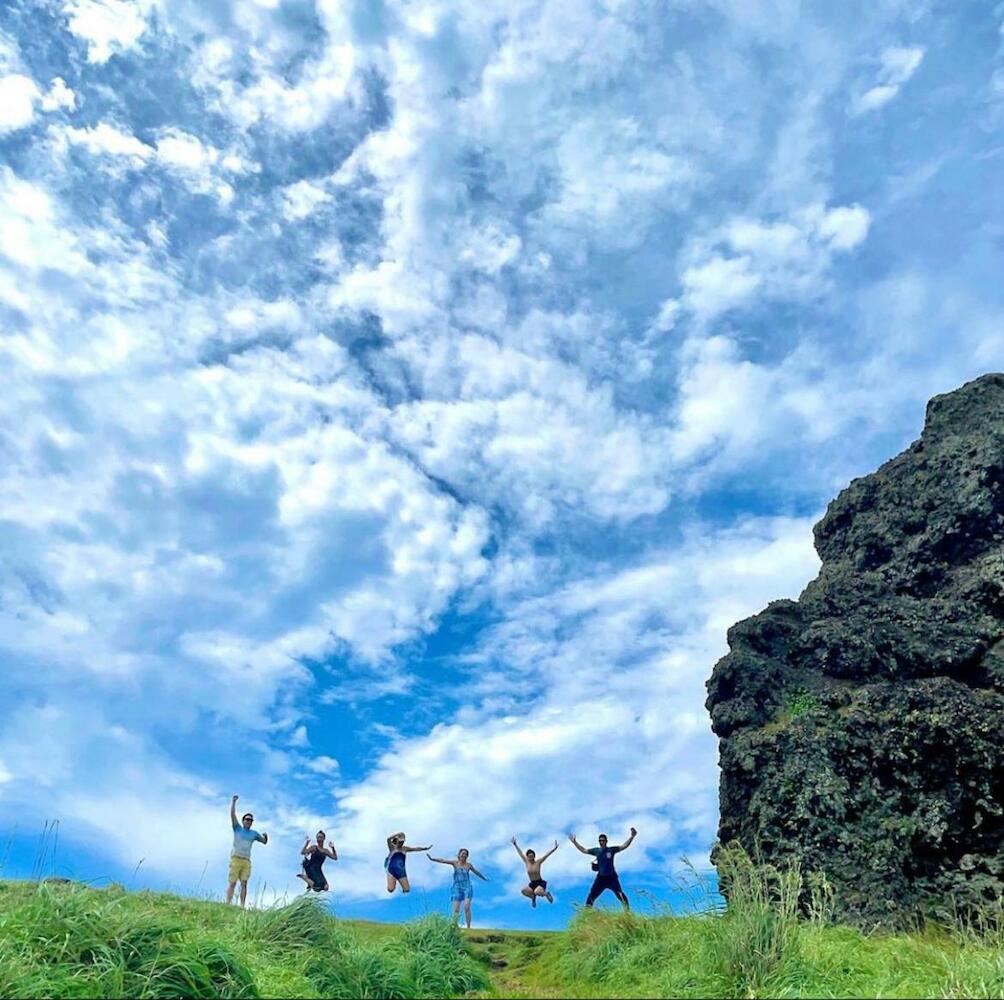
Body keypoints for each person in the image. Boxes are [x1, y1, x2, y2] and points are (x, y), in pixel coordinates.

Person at [569, 827, 637, 909]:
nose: (601, 842)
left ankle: (627, 912)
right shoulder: (596, 851)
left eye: (603, 840)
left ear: (606, 841)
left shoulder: (611, 850)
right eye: (600, 840)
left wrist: (632, 837)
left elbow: (624, 846)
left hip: (612, 878)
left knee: (620, 895)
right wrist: (575, 842)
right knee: (591, 896)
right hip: (601, 879)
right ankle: (586, 913)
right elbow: (584, 850)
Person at [428, 848, 488, 929]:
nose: (464, 855)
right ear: (459, 855)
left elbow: (476, 872)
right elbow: (443, 860)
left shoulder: (469, 865)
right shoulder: (455, 863)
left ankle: (468, 927)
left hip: (467, 887)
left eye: (466, 854)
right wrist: (432, 859)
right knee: (456, 910)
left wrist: (484, 878)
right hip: (457, 887)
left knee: (467, 907)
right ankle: (454, 926)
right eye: (463, 853)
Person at [226, 794, 268, 907]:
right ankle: (228, 904)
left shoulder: (254, 834)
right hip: (236, 858)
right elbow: (232, 815)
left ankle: (242, 905)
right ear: (243, 820)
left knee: (244, 883)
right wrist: (234, 802)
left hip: (246, 860)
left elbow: (264, 841)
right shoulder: (237, 828)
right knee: (232, 882)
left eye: (251, 820)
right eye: (247, 819)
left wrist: (266, 836)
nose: (249, 821)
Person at [511, 836, 558, 907]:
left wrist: (554, 849)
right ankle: (532, 897)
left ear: (534, 856)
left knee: (537, 892)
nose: (530, 858)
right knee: (523, 891)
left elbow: (546, 855)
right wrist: (515, 845)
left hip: (540, 882)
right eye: (529, 856)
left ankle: (546, 894)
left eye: (532, 856)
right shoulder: (526, 862)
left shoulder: (538, 862)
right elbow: (520, 853)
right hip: (532, 884)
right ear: (527, 857)